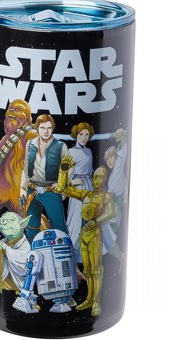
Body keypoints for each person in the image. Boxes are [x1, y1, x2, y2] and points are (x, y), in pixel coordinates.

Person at [56, 156, 115, 317]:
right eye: (95, 177)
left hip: (95, 234)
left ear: (105, 179)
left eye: (100, 177)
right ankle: (89, 299)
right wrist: (63, 170)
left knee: (96, 270)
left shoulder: (106, 196)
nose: (97, 180)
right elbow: (63, 189)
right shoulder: (86, 195)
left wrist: (96, 222)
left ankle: (96, 302)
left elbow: (111, 213)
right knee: (88, 270)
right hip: (84, 234)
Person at [20, 114, 69, 240]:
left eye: (49, 128)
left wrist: (61, 184)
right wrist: (23, 187)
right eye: (42, 128)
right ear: (37, 128)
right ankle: (32, 250)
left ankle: (62, 251)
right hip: (32, 190)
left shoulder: (60, 146)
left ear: (53, 128)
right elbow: (26, 166)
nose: (46, 131)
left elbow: (69, 168)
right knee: (31, 226)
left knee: (59, 227)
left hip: (51, 191)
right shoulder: (31, 144)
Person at [66, 123, 95, 264]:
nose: (84, 137)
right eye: (81, 134)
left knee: (89, 219)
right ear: (76, 135)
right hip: (77, 188)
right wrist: (73, 181)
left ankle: (86, 256)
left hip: (89, 186)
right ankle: (72, 255)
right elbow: (64, 174)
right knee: (75, 220)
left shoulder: (88, 151)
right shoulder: (71, 152)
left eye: (87, 134)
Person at [102, 128, 128, 264]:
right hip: (111, 212)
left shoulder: (118, 167)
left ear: (116, 156)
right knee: (105, 241)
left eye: (111, 157)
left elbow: (123, 153)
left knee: (108, 239)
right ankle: (121, 257)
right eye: (107, 159)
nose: (109, 161)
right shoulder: (113, 174)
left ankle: (121, 257)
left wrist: (121, 137)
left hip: (114, 213)